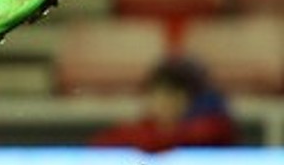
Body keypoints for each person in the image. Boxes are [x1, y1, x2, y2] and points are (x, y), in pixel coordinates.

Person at [89, 57, 237, 152]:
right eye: (159, 95)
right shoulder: (134, 132)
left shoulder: (208, 132)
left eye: (173, 95)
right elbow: (100, 147)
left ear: (189, 100)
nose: (165, 103)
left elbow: (215, 132)